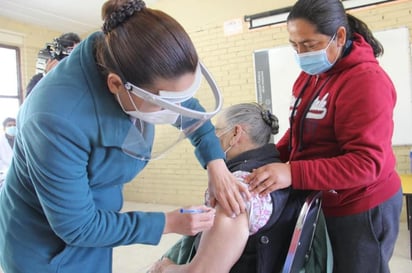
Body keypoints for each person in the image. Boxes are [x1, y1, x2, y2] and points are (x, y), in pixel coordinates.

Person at [0, 1, 248, 272]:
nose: (173, 112)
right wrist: (167, 223)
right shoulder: (53, 119)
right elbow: (79, 226)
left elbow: (189, 112)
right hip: (43, 248)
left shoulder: (125, 59)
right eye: (164, 105)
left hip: (96, 221)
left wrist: (216, 163)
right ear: (117, 85)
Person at [245, 1, 403, 273]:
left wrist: (293, 172)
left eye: (308, 45)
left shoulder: (366, 82)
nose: (301, 53)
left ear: (339, 37)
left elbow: (366, 163)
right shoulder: (311, 75)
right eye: (294, 45)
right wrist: (259, 163)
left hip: (361, 204)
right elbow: (296, 137)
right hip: (324, 197)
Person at [148, 103, 310, 273]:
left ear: (235, 133)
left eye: (217, 131)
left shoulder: (237, 189)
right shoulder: (275, 170)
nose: (214, 138)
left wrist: (164, 268)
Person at [25, 32, 82, 96]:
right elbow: (31, 103)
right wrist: (48, 78)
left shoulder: (82, 79)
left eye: (77, 51)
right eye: (69, 50)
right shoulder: (39, 79)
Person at [0, 117, 16, 185]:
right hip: (4, 175)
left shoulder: (21, 140)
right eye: (9, 125)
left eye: (14, 125)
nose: (12, 127)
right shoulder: (1, 141)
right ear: (4, 128)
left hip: (19, 173)